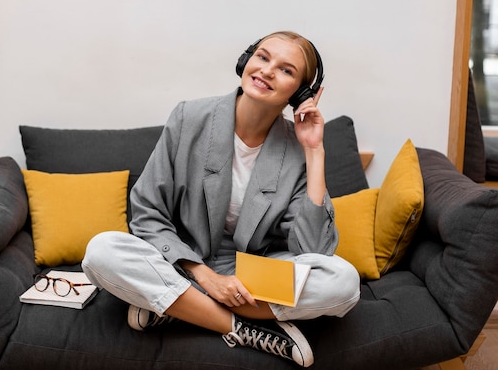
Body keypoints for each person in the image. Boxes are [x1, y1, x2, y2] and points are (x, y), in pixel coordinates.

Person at [82, 31, 360, 368]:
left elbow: (312, 249)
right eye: (262, 57)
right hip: (184, 263)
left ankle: (178, 307)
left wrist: (314, 152)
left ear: (301, 93)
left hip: (251, 275)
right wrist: (206, 277)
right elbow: (147, 213)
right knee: (102, 251)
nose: (268, 70)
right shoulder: (189, 117)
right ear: (246, 61)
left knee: (343, 280)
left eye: (286, 70)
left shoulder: (297, 148)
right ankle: (242, 328)